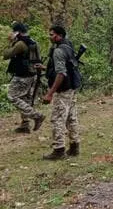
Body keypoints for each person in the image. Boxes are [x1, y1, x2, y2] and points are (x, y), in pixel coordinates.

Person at [42, 25, 81, 160]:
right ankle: (75, 146)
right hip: (72, 87)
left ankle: (59, 150)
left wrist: (50, 93)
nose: (50, 37)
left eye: (52, 34)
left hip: (63, 88)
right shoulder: (68, 46)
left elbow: (61, 73)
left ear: (59, 35)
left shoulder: (58, 50)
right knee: (71, 117)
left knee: (58, 118)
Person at [2, 22, 45, 134]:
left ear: (17, 32)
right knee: (25, 99)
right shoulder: (33, 42)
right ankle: (25, 125)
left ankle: (37, 116)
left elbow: (6, 55)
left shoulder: (20, 44)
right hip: (33, 75)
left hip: (22, 76)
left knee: (12, 96)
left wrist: (10, 41)